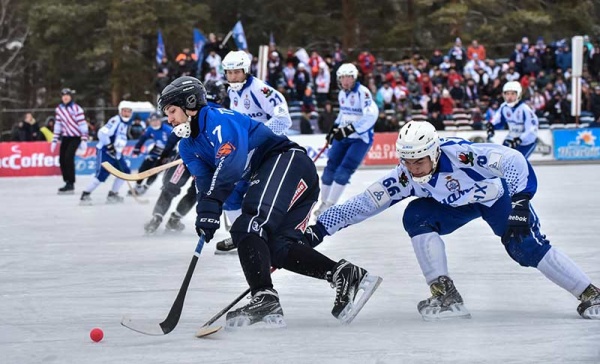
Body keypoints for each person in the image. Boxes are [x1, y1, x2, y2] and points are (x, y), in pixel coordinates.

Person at [303, 120, 600, 321]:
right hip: (456, 205)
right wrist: (320, 228)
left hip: (496, 197)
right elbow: (365, 203)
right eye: (406, 161)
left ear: (434, 152)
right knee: (416, 215)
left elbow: (513, 160)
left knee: (524, 247)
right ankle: (445, 295)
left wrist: (520, 201)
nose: (413, 169)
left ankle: (590, 294)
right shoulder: (405, 175)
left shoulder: (462, 155)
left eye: (419, 161)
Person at [157, 76, 382, 328]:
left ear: (190, 104)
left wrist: (212, 203)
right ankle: (344, 274)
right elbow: (204, 181)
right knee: (277, 247)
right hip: (278, 175)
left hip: (286, 162)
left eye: (172, 111)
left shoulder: (218, 119)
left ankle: (264, 297)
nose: (169, 119)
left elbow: (230, 164)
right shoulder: (188, 146)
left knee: (248, 225)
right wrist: (206, 212)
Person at [214, 50, 293, 254]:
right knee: (231, 192)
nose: (232, 77)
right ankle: (239, 235)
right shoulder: (232, 92)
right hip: (246, 151)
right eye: (229, 73)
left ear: (246, 70)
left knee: (259, 195)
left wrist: (254, 138)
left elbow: (284, 120)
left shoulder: (261, 90)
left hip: (268, 150)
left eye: (236, 72)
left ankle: (269, 234)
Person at [144, 80, 229, 234]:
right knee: (195, 191)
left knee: (170, 188)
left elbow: (174, 136)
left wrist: (164, 155)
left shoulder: (189, 107)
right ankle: (174, 219)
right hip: (207, 161)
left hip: (185, 158)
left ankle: (156, 218)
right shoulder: (219, 112)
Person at [313, 63, 378, 216]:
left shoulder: (363, 93)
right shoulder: (342, 94)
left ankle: (330, 205)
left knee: (343, 171)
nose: (346, 81)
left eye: (348, 77)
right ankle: (323, 202)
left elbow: (371, 115)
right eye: (342, 78)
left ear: (354, 78)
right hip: (343, 135)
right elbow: (343, 114)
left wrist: (351, 129)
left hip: (360, 139)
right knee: (330, 168)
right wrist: (333, 129)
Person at [79, 101, 134, 205]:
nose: (126, 113)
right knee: (102, 175)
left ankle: (113, 194)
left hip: (117, 154)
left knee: (125, 172)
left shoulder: (126, 123)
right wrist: (109, 145)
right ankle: (85, 194)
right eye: (124, 111)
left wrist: (117, 151)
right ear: (120, 111)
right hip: (105, 151)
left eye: (129, 111)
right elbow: (102, 133)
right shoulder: (115, 120)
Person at [487, 81, 539, 158]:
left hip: (527, 141)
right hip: (512, 137)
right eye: (507, 94)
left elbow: (531, 128)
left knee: (519, 162)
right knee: (500, 159)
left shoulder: (525, 109)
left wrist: (520, 139)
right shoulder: (504, 107)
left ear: (518, 95)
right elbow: (498, 120)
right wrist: (491, 126)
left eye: (513, 94)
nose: (510, 97)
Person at [52, 88, 88, 195]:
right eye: (63, 96)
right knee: (62, 159)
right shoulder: (59, 109)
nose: (65, 97)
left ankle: (71, 183)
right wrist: (55, 139)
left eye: (67, 95)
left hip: (75, 137)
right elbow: (58, 124)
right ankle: (67, 181)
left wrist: (84, 139)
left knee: (68, 157)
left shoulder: (77, 109)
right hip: (65, 137)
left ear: (71, 97)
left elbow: (82, 124)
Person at [130, 113, 173, 195]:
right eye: (152, 121)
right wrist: (137, 148)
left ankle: (145, 187)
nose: (154, 123)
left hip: (167, 151)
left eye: (156, 120)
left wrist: (168, 156)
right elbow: (142, 138)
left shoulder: (168, 130)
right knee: (143, 167)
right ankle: (137, 186)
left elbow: (173, 143)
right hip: (156, 149)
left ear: (160, 120)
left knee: (155, 170)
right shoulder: (150, 129)